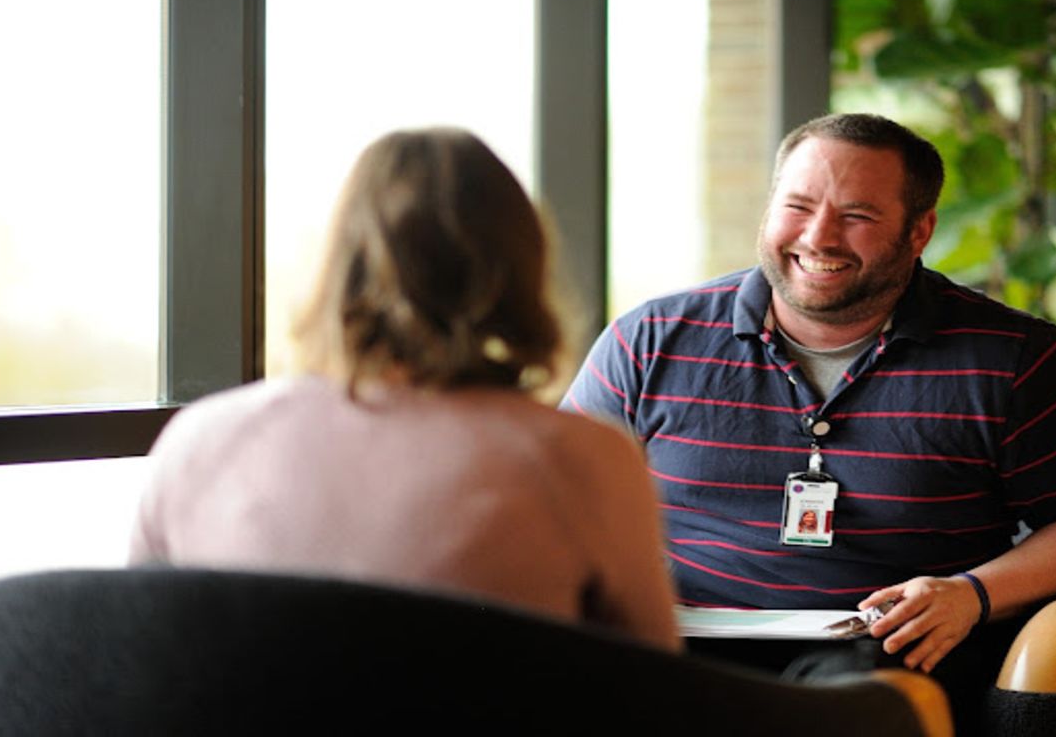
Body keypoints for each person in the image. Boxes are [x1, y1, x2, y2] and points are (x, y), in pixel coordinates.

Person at [562, 112, 1056, 724]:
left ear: (919, 231)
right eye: (798, 206)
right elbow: (563, 506)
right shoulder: (650, 340)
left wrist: (971, 594)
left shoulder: (1011, 358)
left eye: (858, 215)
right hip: (682, 643)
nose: (819, 237)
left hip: (886, 654)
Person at [129, 127, 680, 652]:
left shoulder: (198, 443)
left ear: (339, 265)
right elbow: (658, 691)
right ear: (522, 268)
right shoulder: (585, 462)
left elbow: (136, 660)